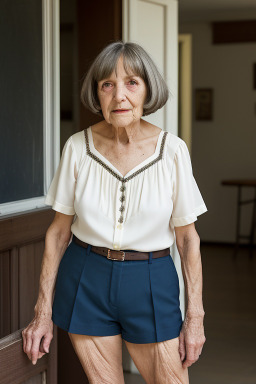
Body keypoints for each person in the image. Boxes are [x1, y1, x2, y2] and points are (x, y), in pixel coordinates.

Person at [22, 41, 208, 384]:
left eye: (131, 83)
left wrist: (194, 316)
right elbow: (58, 232)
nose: (118, 95)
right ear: (98, 94)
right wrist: (42, 312)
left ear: (148, 90)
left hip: (151, 279)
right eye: (107, 84)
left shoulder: (172, 151)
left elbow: (187, 238)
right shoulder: (78, 146)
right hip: (85, 276)